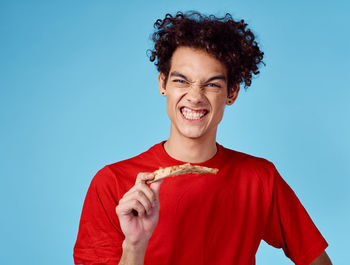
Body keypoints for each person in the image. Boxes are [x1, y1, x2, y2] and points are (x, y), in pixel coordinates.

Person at [74, 11, 332, 265]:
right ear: (163, 84)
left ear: (232, 93)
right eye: (181, 81)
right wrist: (135, 245)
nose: (195, 96)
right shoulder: (112, 184)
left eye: (212, 84)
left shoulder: (260, 178)